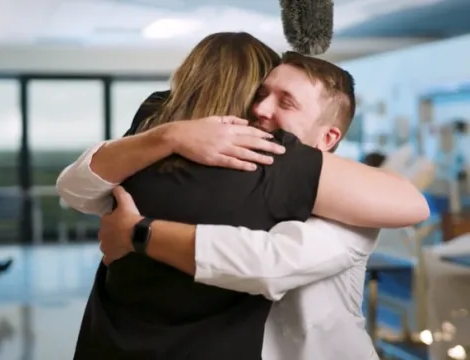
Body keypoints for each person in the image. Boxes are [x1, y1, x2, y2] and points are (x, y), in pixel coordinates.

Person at [57, 34, 429, 359]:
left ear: (328, 138)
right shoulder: (231, 165)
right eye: (260, 93)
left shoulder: (349, 206)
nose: (259, 109)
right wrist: (169, 135)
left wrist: (139, 232)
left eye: (286, 102)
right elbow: (77, 187)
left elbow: (267, 265)